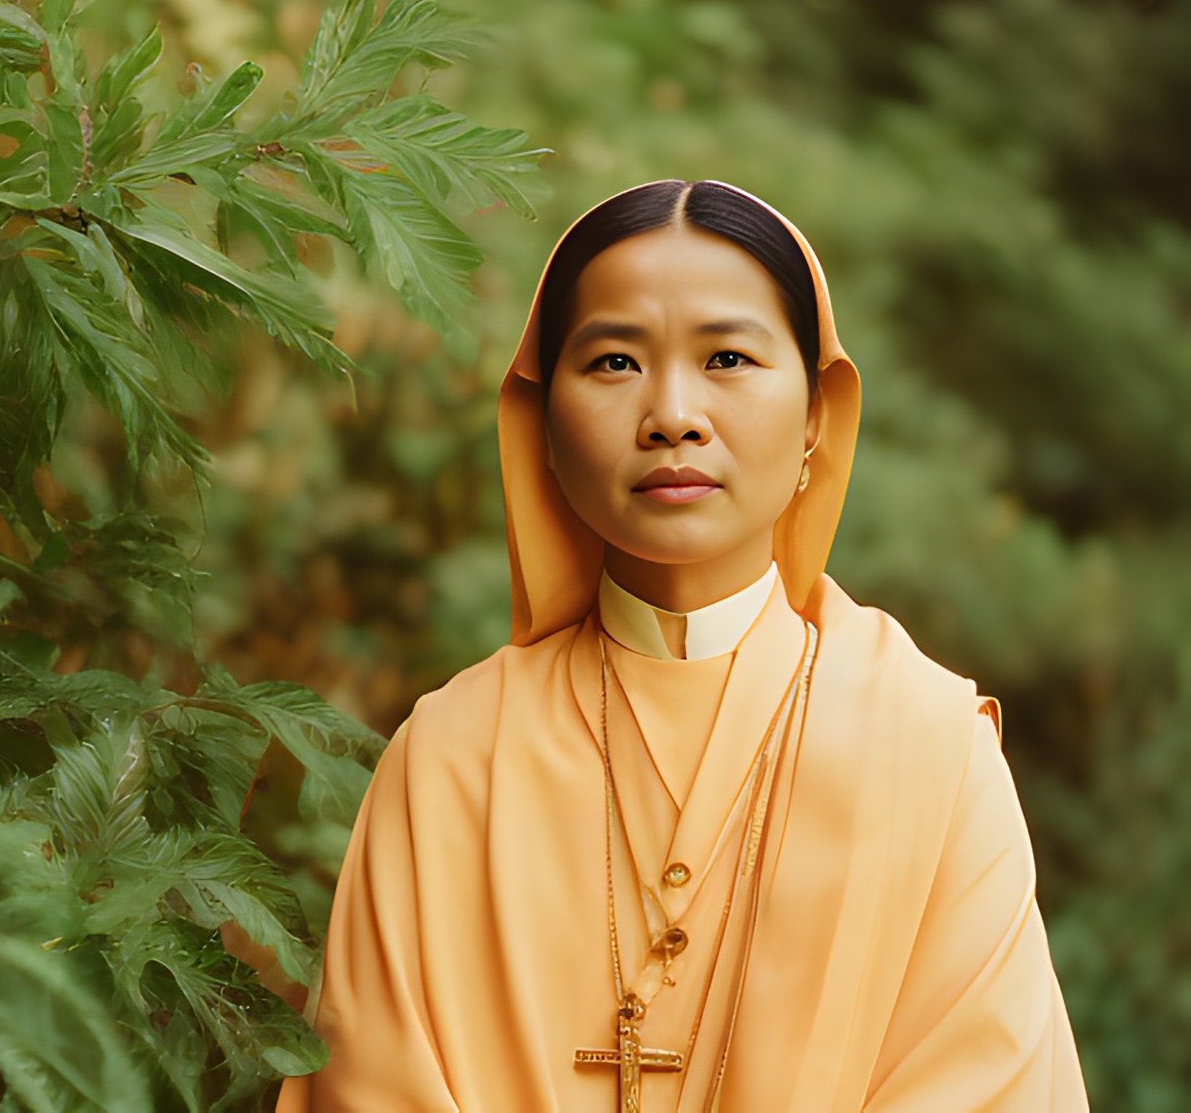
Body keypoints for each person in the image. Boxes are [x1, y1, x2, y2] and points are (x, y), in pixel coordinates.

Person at [277, 181, 1085, 1112]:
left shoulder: (933, 748)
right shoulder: (454, 753)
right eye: (615, 361)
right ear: (541, 422)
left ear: (819, 415)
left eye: (729, 356)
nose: (671, 414)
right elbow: (371, 1082)